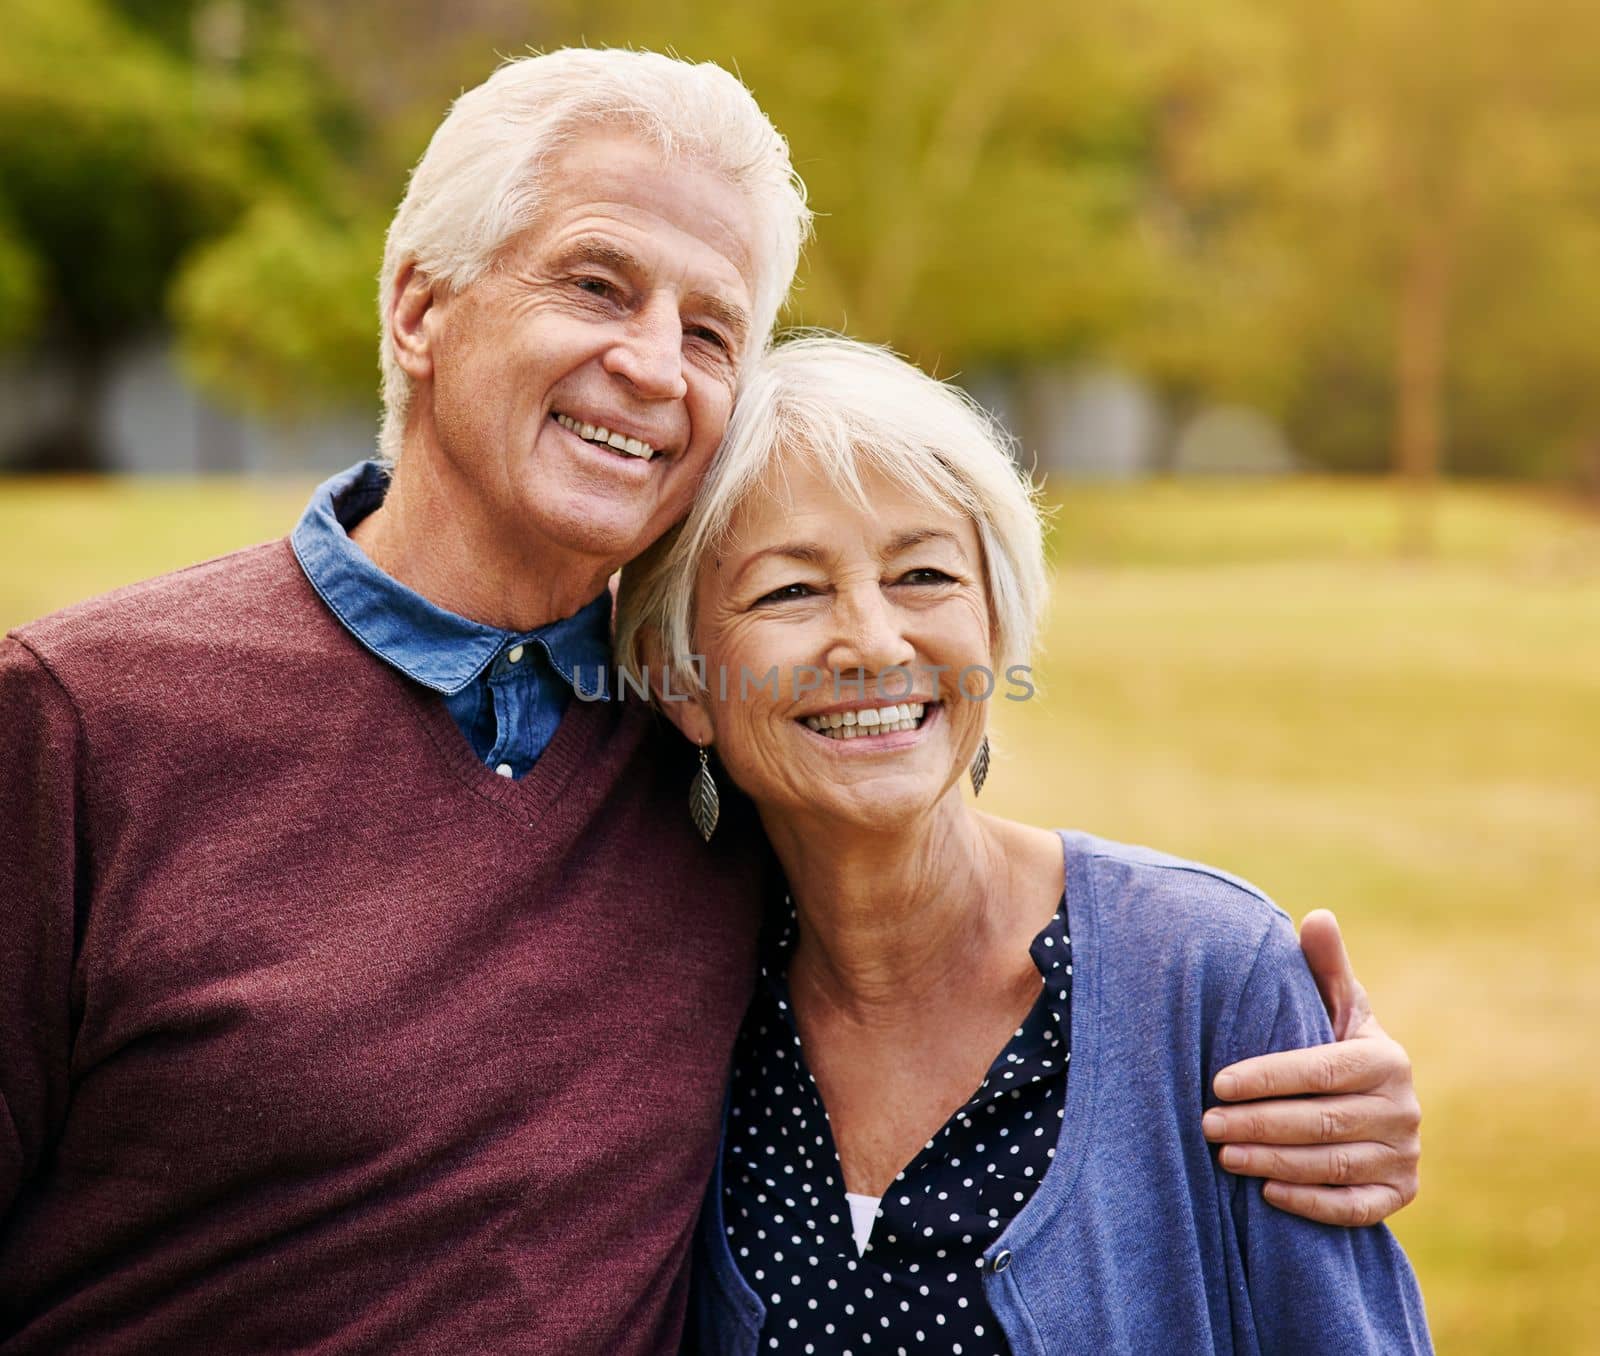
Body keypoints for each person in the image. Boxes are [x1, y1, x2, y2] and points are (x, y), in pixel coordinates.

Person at [0, 50, 1414, 1355]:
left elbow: (929, 855)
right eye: (599, 287)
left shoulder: (714, 769)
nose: (655, 367)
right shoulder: (76, 723)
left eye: (713, 328)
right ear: (419, 307)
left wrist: (1270, 1038)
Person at [615, 335, 1432, 1353]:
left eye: (922, 574)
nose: (873, 642)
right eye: (791, 590)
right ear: (681, 679)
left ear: (994, 626)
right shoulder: (668, 1008)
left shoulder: (1207, 979)